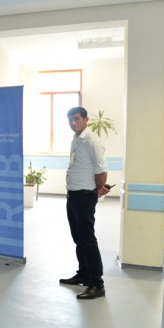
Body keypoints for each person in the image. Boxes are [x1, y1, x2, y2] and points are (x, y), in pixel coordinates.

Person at [59, 106, 111, 300]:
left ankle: (97, 284)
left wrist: (96, 191)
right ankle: (84, 274)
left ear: (86, 120)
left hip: (84, 197)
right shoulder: (77, 139)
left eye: (76, 119)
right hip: (73, 196)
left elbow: (101, 171)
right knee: (78, 238)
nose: (73, 123)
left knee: (87, 240)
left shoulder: (91, 141)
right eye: (70, 119)